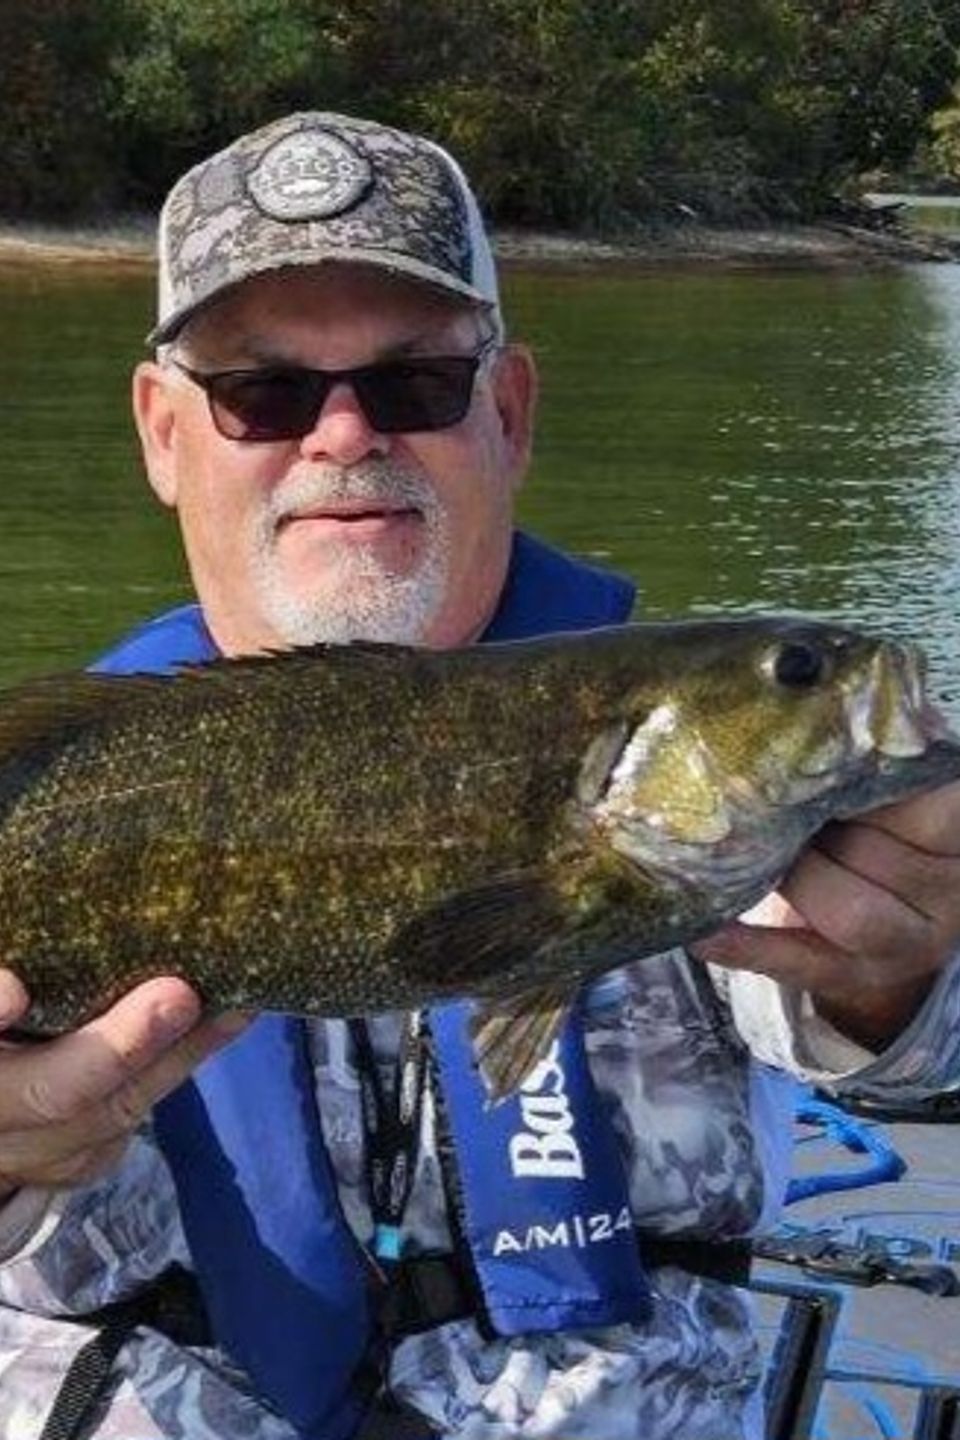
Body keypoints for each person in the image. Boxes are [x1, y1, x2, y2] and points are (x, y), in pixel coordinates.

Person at [0, 110, 958, 1440]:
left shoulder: (712, 771)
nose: (343, 437)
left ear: (507, 412)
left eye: (415, 385)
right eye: (263, 393)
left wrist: (901, 979)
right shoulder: (69, 779)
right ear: (164, 434)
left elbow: (904, 1056)